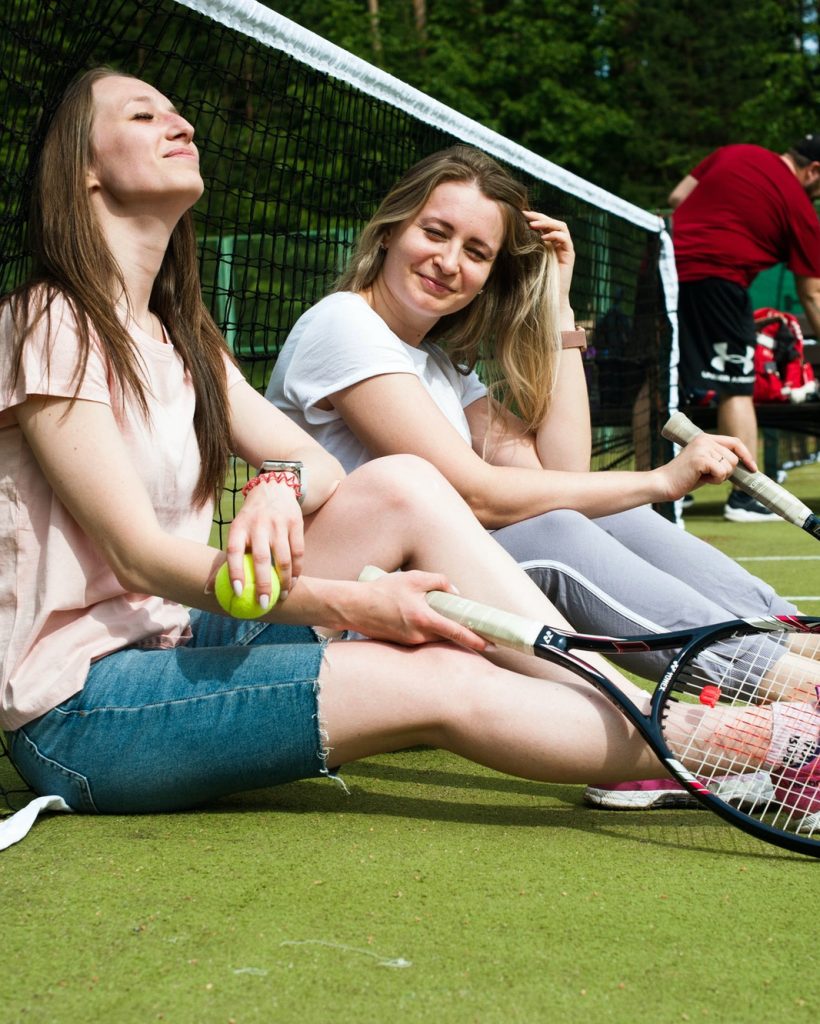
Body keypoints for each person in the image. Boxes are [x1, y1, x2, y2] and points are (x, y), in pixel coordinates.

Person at [6, 67, 794, 828]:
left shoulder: (187, 339)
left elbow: (314, 465)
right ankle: (772, 742)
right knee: (438, 673)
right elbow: (139, 557)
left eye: (177, 112)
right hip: (86, 710)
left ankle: (697, 707)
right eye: (142, 116)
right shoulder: (48, 321)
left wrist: (276, 483)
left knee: (407, 483)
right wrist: (356, 604)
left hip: (192, 631)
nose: (180, 124)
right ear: (83, 172)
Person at [265, 144, 820, 811]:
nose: (449, 262)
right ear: (390, 231)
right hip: (344, 615)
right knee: (552, 532)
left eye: (476, 251)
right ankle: (778, 689)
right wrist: (661, 481)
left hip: (438, 597)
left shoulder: (437, 364)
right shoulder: (343, 325)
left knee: (597, 511)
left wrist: (559, 310)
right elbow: (478, 493)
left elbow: (562, 475)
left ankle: (790, 645)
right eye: (435, 233)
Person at [668, 136, 820, 523]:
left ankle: (666, 491)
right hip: (717, 279)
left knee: (660, 382)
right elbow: (813, 294)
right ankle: (746, 497)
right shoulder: (800, 209)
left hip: (663, 268)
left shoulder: (735, 151)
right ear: (814, 171)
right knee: (736, 387)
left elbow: (677, 197)